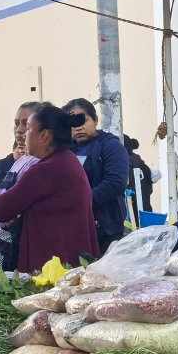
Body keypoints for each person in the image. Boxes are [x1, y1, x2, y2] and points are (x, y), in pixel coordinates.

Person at [0, 103, 98, 273]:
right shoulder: (68, 160)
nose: (23, 134)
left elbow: (0, 209)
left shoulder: (46, 169)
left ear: (45, 136)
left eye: (29, 129)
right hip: (68, 262)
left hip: (51, 270)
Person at [64, 96, 130, 251]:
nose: (78, 127)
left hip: (106, 228)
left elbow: (116, 183)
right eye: (73, 124)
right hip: (73, 228)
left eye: (83, 121)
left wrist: (82, 202)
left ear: (95, 120)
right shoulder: (66, 150)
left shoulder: (110, 146)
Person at [0, 103, 39, 266]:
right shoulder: (14, 162)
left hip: (31, 243)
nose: (19, 130)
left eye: (25, 123)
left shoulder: (46, 164)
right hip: (6, 241)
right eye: (16, 123)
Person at [123, 134, 156, 221]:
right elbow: (150, 188)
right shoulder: (140, 162)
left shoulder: (126, 161)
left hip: (133, 213)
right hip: (145, 213)